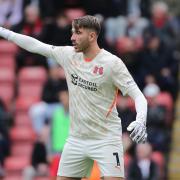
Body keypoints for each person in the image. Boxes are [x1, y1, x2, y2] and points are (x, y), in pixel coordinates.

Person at [0, 15, 147, 180]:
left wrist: (141, 119)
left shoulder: (112, 64)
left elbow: (139, 96)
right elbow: (36, 46)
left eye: (78, 33)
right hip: (77, 139)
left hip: (106, 139)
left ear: (92, 36)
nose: (72, 37)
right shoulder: (68, 55)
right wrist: (5, 32)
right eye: (72, 32)